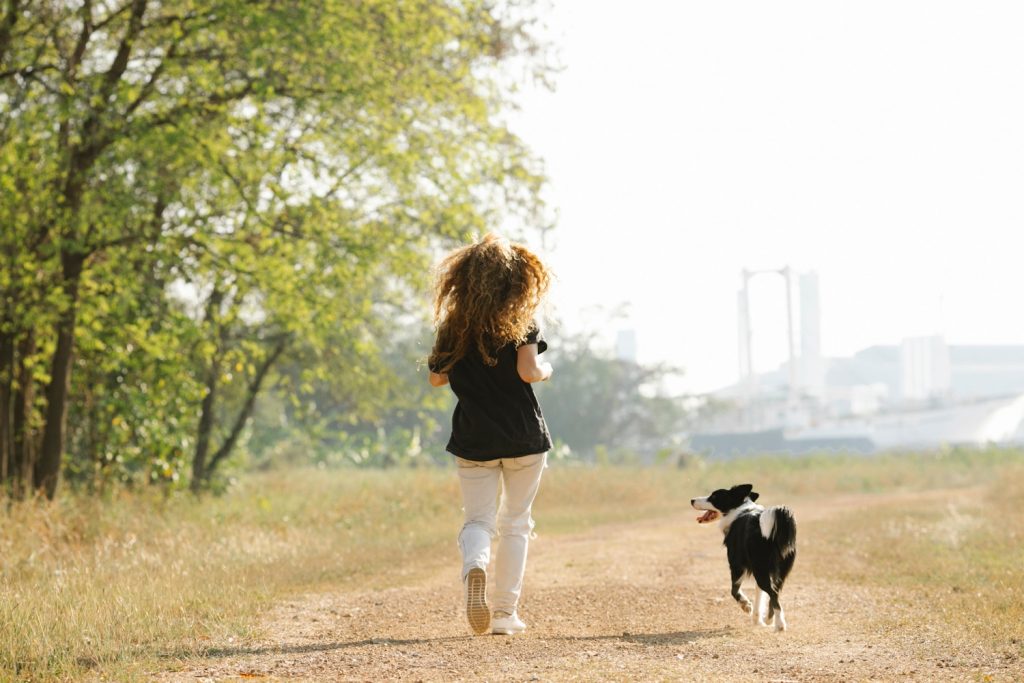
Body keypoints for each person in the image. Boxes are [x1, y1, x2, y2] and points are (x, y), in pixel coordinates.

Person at [427, 233, 554, 636]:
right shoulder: (522, 320)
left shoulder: (453, 326)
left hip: (474, 437)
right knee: (516, 522)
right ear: (513, 277)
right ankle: (504, 615)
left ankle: (475, 565)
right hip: (522, 437)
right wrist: (548, 370)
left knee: (478, 520)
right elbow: (528, 372)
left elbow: (435, 379)